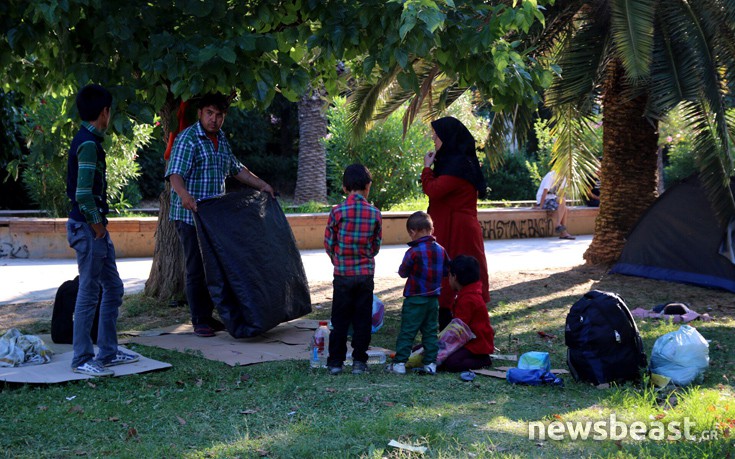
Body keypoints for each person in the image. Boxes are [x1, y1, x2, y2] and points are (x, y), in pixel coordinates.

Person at [165, 93, 275, 337]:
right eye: (209, 114)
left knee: (214, 268)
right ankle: (199, 321)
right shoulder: (188, 138)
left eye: (219, 115)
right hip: (189, 217)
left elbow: (237, 169)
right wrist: (184, 195)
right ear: (200, 113)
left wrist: (262, 185)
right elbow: (175, 174)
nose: (214, 120)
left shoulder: (221, 139)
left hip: (214, 221)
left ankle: (209, 316)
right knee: (196, 269)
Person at [66, 84, 139, 377]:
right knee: (89, 290)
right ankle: (82, 358)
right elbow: (82, 194)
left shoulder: (90, 141)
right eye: (111, 111)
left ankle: (108, 351)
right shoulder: (87, 144)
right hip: (88, 227)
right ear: (104, 112)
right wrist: (97, 228)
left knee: (114, 287)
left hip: (94, 227)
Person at [422, 117, 490, 330]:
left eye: (436, 135)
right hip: (453, 225)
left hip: (458, 229)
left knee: (458, 273)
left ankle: (459, 324)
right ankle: (450, 325)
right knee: (450, 273)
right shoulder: (456, 162)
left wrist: (426, 168)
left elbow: (434, 189)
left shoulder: (458, 166)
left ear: (447, 138)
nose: (433, 138)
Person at [323, 164, 382, 375]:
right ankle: (359, 362)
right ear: (368, 187)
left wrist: (338, 260)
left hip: (342, 275)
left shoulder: (337, 212)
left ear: (344, 187)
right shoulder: (375, 213)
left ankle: (335, 363)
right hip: (365, 275)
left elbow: (329, 243)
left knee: (339, 320)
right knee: (362, 320)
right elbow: (376, 245)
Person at [388, 211, 450, 375]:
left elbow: (403, 272)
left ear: (413, 232)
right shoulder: (441, 250)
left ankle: (400, 362)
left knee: (408, 331)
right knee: (430, 332)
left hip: (415, 298)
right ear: (431, 229)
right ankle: (430, 363)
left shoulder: (413, 252)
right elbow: (446, 271)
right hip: (433, 299)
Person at [438, 255, 495, 372]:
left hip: (477, 343)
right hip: (469, 340)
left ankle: (483, 360)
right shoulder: (467, 294)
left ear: (454, 277)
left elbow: (458, 330)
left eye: (449, 275)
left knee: (451, 363)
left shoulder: (468, 299)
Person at [536, 170, 575, 239]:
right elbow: (545, 191)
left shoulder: (564, 177)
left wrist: (562, 205)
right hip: (543, 199)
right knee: (563, 204)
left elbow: (562, 193)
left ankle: (563, 232)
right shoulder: (551, 175)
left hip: (552, 198)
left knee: (564, 207)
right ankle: (558, 226)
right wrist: (540, 206)